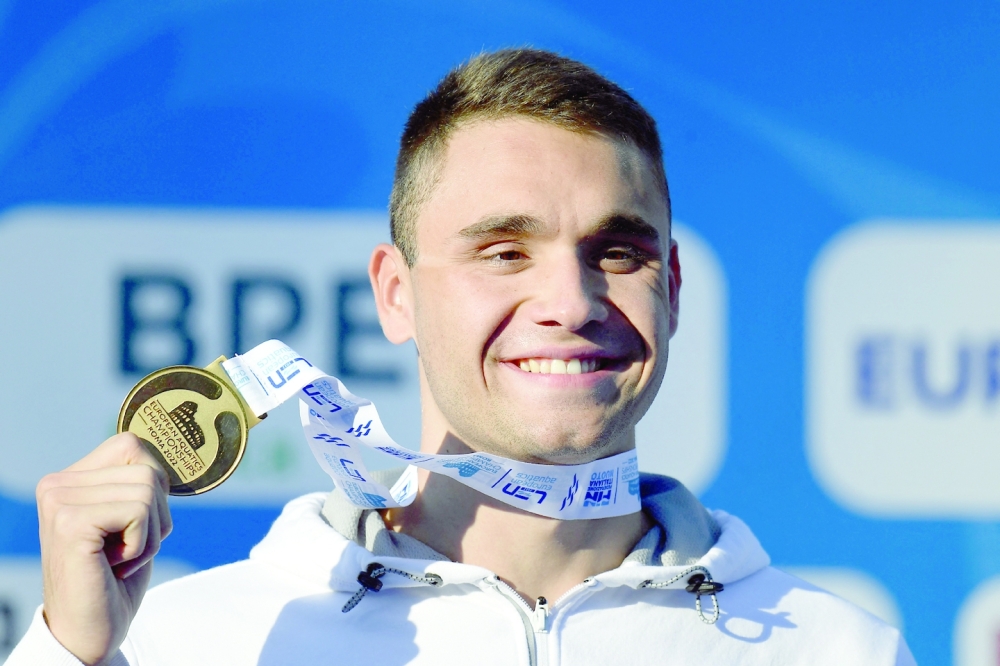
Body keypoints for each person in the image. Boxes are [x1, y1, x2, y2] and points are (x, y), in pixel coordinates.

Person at [9, 48, 915, 665]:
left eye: (617, 251)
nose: (570, 302)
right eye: (504, 251)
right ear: (395, 295)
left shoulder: (838, 647)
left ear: (672, 286)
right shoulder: (193, 642)